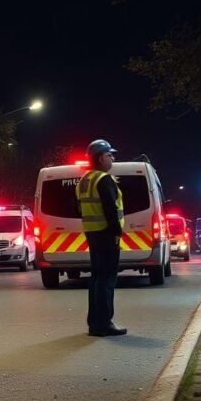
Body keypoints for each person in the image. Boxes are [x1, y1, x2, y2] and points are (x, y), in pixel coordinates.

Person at [77, 139, 127, 336]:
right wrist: (116, 233)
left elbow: (78, 207)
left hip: (92, 233)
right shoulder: (104, 179)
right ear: (100, 158)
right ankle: (105, 324)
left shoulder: (85, 180)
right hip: (107, 234)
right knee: (107, 279)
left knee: (97, 278)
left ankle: (94, 323)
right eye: (109, 155)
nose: (112, 158)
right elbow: (111, 209)